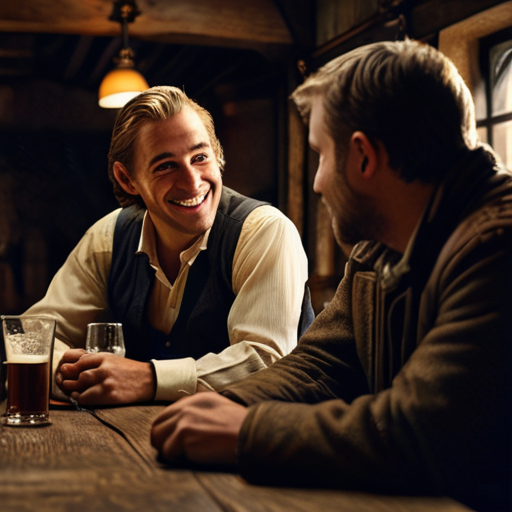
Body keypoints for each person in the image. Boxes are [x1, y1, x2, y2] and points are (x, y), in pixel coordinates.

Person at [150, 40, 512, 512]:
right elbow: (320, 365)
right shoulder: (380, 245)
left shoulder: (496, 247)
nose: (317, 181)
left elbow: (421, 434)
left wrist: (247, 432)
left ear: (363, 157)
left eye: (320, 154)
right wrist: (229, 406)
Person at [25, 86, 313, 406]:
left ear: (217, 155)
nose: (192, 182)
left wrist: (147, 379)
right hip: (138, 442)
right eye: (165, 165)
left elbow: (265, 361)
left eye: (200, 157)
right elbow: (31, 338)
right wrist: (73, 376)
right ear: (127, 179)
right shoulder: (107, 239)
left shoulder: (264, 231)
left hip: (261, 444)